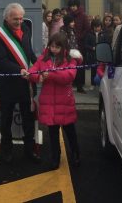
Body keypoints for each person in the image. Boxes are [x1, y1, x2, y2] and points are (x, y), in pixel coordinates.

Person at [0, 2, 40, 164]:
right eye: (15, 19)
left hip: (26, 83)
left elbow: (29, 52)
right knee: (6, 119)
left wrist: (40, 64)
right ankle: (6, 150)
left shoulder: (25, 28)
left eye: (20, 18)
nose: (19, 21)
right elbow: (1, 60)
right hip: (8, 84)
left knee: (28, 117)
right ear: (6, 18)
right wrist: (19, 70)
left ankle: (29, 150)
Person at [28, 32, 81, 169]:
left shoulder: (70, 60)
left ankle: (75, 154)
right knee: (52, 133)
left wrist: (50, 75)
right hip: (49, 102)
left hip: (64, 101)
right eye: (52, 46)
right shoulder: (43, 59)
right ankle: (55, 157)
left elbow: (69, 76)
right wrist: (34, 76)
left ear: (64, 47)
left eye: (57, 47)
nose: (54, 49)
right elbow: (33, 71)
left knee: (70, 131)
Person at [67, 0, 90, 93]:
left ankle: (80, 86)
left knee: (80, 65)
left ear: (78, 6)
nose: (73, 8)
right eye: (71, 6)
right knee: (70, 65)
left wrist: (79, 36)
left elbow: (87, 28)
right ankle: (71, 84)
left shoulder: (83, 16)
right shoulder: (69, 15)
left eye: (74, 6)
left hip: (80, 45)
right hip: (70, 45)